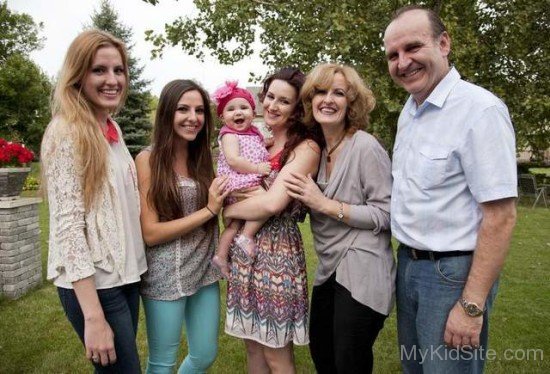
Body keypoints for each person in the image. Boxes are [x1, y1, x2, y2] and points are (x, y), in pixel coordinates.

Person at [383, 5, 517, 373]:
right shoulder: (409, 111)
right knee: (417, 368)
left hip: (452, 275)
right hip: (409, 264)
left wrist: (471, 305)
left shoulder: (480, 110)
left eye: (412, 47)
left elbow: (501, 217)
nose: (402, 62)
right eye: (393, 55)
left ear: (443, 43)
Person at [41, 29, 147, 372]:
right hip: (96, 287)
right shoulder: (66, 132)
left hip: (125, 279)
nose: (112, 79)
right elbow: (69, 228)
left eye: (119, 70)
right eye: (99, 70)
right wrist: (94, 317)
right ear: (78, 75)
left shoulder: (110, 129)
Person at [285, 63, 395, 373]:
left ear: (352, 102)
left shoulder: (365, 147)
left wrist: (324, 204)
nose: (328, 100)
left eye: (339, 93)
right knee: (323, 354)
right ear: (309, 100)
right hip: (329, 267)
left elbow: (386, 214)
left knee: (349, 361)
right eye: (320, 92)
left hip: (364, 266)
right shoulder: (315, 148)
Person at [223, 67, 320, 373]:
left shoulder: (306, 148)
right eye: (270, 97)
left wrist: (226, 211)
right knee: (252, 346)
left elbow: (273, 203)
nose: (272, 106)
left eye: (284, 101)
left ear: (297, 109)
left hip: (278, 256)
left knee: (276, 353)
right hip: (246, 252)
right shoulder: (259, 141)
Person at [135, 79, 229, 373]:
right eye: (183, 109)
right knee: (162, 364)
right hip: (165, 275)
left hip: (203, 272)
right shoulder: (148, 159)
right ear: (166, 113)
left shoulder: (202, 160)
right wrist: (209, 210)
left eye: (199, 110)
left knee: (204, 355)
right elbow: (150, 233)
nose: (193, 118)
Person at [211, 81, 272, 277]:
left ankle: (220, 256)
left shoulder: (254, 134)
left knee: (233, 224)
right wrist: (257, 168)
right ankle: (247, 236)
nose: (238, 112)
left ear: (253, 114)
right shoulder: (229, 135)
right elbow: (234, 160)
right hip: (240, 182)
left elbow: (264, 144)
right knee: (268, 202)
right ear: (222, 117)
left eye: (244, 107)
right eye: (231, 109)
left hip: (244, 183)